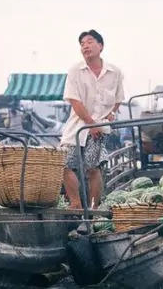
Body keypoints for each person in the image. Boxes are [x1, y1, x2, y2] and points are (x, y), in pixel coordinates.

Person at [61, 29, 125, 209]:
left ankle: (94, 207)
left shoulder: (115, 72)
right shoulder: (75, 70)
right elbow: (74, 100)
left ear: (100, 46)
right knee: (64, 164)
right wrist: (90, 124)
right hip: (77, 124)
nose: (85, 46)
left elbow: (118, 98)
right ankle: (76, 204)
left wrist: (109, 115)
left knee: (92, 167)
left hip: (101, 126)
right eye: (82, 44)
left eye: (89, 42)